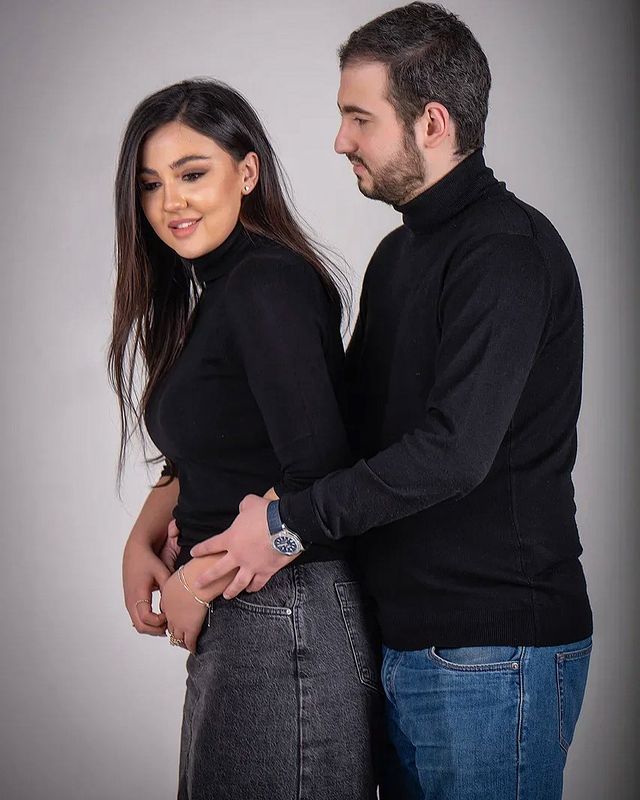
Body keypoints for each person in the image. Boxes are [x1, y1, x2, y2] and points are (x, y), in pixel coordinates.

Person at [187, 4, 593, 799]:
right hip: (402, 643)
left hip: (492, 653)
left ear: (432, 123)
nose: (340, 140)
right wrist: (180, 497)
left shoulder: (506, 252)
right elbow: (339, 427)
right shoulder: (400, 254)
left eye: (358, 117)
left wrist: (285, 525)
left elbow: (452, 453)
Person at [109, 78, 382, 800]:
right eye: (151, 184)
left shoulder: (264, 283)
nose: (170, 202)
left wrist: (195, 581)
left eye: (192, 173)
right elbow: (215, 445)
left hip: (284, 613)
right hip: (255, 617)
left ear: (248, 172)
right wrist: (143, 538)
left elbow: (319, 469)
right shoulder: (221, 291)